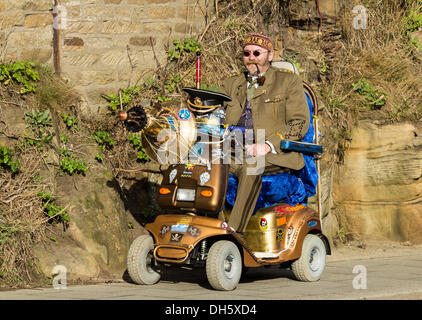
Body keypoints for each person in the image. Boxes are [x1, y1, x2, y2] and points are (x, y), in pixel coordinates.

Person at [220, 33, 310, 235]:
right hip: (234, 148)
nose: (251, 57)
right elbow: (214, 112)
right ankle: (210, 227)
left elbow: (300, 123)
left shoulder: (288, 81)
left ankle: (234, 232)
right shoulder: (232, 84)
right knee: (203, 166)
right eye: (246, 53)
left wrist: (268, 145)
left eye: (257, 53)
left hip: (275, 154)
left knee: (252, 164)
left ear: (270, 55)